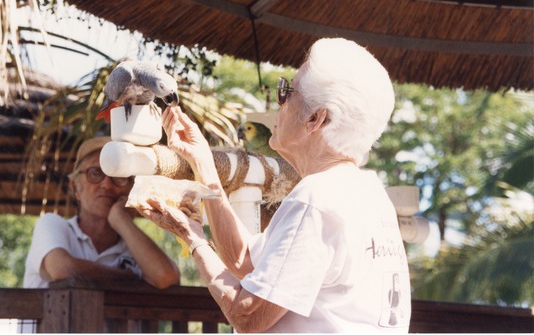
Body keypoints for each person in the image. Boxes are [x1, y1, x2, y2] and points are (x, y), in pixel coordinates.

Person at [137, 38, 411, 332]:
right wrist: (202, 161)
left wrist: (194, 240)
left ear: (316, 119)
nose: (277, 104)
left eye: (286, 92)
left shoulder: (316, 199)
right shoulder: (368, 194)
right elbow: (245, 261)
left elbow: (247, 316)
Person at [23, 136, 180, 289]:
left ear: (131, 189)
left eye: (119, 176)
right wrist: (130, 277)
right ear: (75, 188)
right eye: (95, 173)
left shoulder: (136, 247)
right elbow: (61, 268)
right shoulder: (53, 224)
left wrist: (121, 220)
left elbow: (166, 277)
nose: (107, 185)